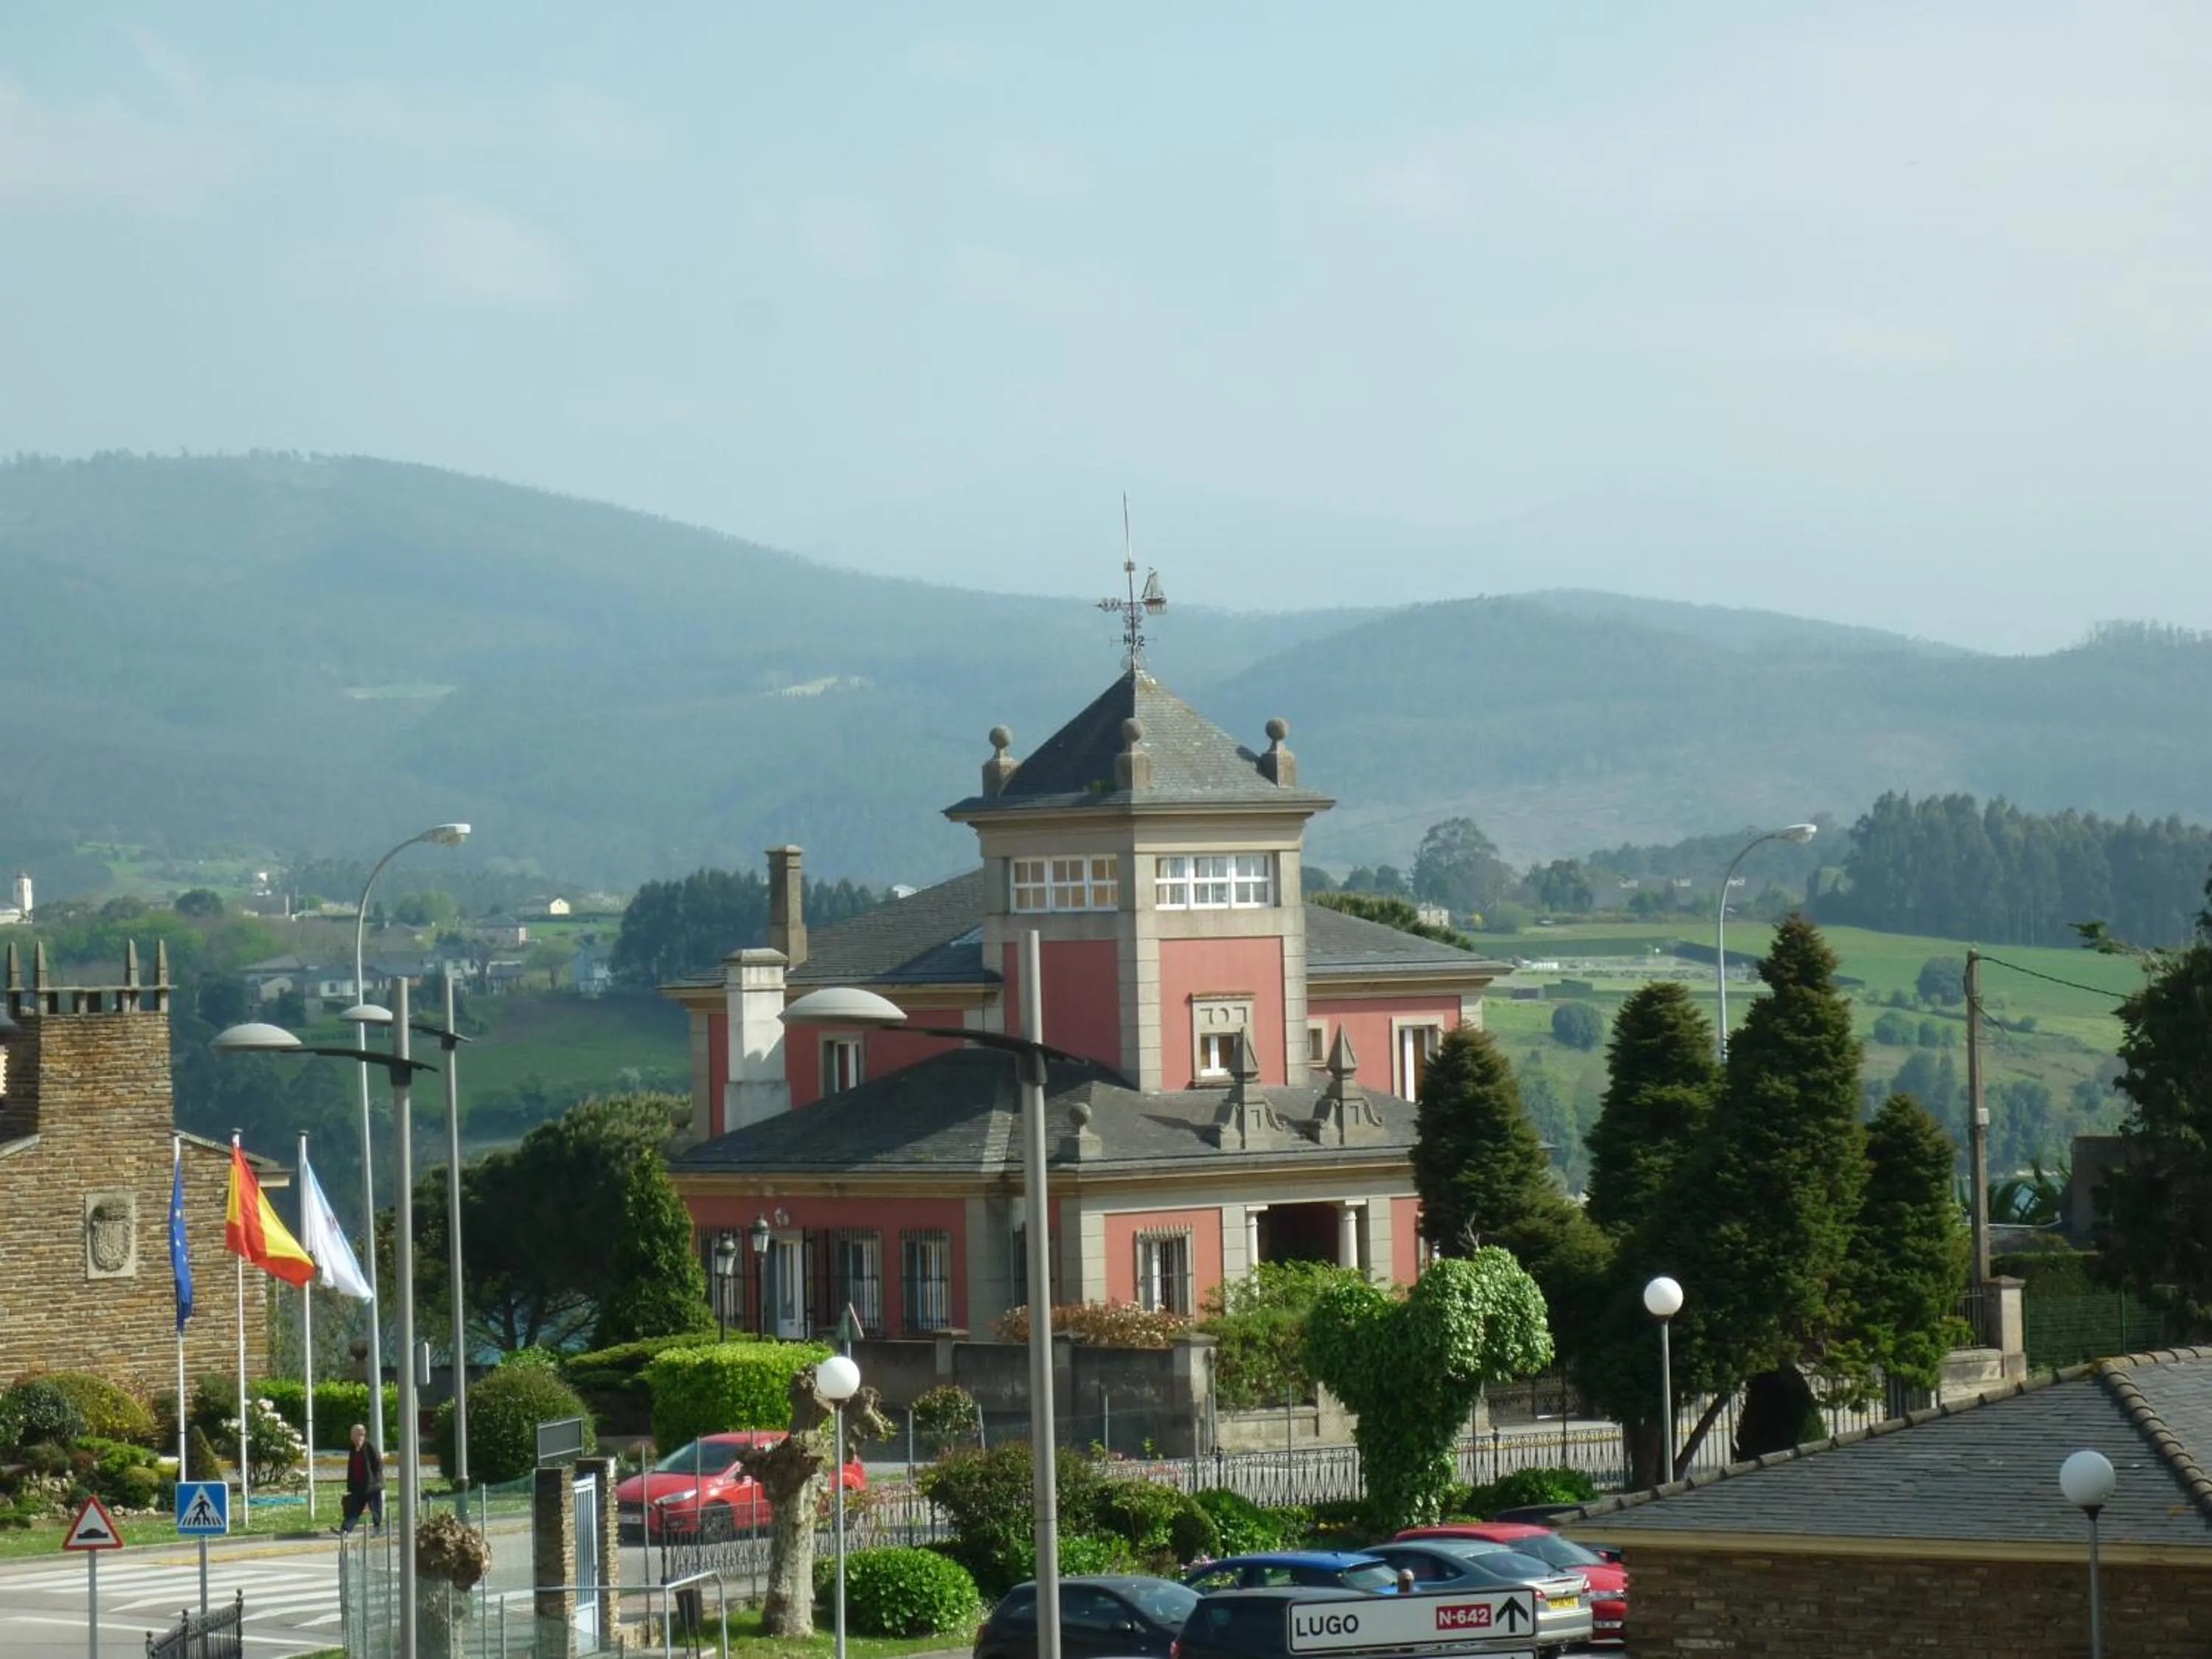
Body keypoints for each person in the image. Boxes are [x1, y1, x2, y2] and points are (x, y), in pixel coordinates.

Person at [339, 1422, 383, 1535]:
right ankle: (346, 1530)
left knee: (375, 1509)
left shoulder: (370, 1446)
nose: (352, 1437)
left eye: (354, 1434)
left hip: (372, 1485)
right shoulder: (353, 1449)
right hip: (358, 1486)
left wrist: (375, 1480)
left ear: (361, 1435)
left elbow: (378, 1464)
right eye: (352, 1434)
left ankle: (377, 1530)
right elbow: (352, 1467)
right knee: (353, 1509)